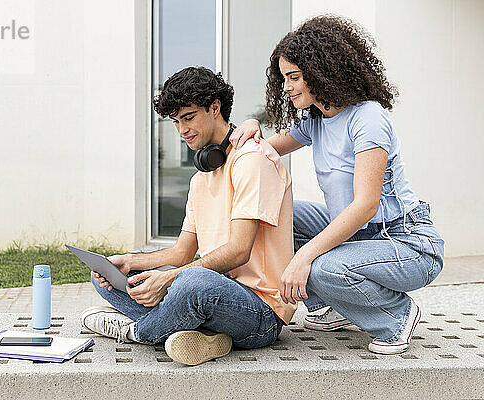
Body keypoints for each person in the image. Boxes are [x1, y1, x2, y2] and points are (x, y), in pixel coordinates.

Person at [230, 15, 444, 355]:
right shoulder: (318, 118)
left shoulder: (368, 118)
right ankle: (332, 306)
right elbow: (268, 146)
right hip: (360, 234)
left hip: (405, 241)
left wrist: (303, 257)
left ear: (322, 72)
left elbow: (365, 206)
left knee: (319, 266)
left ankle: (397, 316)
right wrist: (252, 125)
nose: (287, 87)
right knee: (283, 215)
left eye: (295, 77)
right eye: (284, 78)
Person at [80, 66, 296, 365]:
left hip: (260, 312)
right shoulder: (201, 178)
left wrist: (168, 279)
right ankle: (203, 335)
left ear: (214, 108)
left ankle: (138, 331)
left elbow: (238, 252)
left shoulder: (252, 161)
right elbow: (182, 252)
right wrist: (128, 262)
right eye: (176, 121)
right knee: (109, 275)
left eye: (189, 117)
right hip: (211, 292)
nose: (182, 130)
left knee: (192, 284)